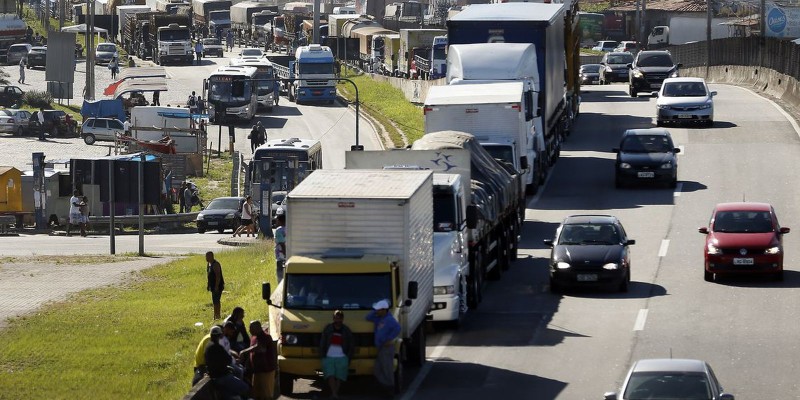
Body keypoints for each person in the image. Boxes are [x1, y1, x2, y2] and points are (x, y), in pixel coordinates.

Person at [204, 326, 250, 398]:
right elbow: (228, 360)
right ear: (220, 335)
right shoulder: (218, 347)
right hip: (222, 376)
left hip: (214, 377)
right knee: (245, 387)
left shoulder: (207, 346)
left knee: (229, 394)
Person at [366, 299, 401, 394]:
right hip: (381, 348)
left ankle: (390, 388)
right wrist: (375, 311)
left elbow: (398, 328)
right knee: (377, 369)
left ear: (384, 310)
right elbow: (368, 317)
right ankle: (385, 386)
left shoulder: (389, 319)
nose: (377, 311)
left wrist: (390, 339)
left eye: (378, 310)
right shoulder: (379, 318)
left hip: (387, 348)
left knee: (387, 369)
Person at [320, 310, 354, 400]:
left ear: (342, 319)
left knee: (339, 376)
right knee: (330, 375)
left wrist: (348, 357)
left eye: (339, 318)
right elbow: (323, 342)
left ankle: (335, 393)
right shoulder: (328, 328)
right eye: (336, 318)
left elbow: (351, 344)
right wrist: (322, 355)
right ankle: (334, 393)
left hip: (342, 357)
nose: (337, 320)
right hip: (329, 356)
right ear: (333, 318)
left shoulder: (346, 330)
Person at [240, 320, 276, 400]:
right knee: (257, 394)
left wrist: (244, 352)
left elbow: (260, 348)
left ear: (258, 328)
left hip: (266, 371)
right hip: (257, 370)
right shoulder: (253, 337)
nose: (249, 330)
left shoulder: (266, 337)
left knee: (266, 395)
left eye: (251, 328)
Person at [207, 251, 225, 320]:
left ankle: (218, 315)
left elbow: (218, 276)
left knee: (216, 301)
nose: (206, 258)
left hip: (217, 286)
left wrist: (216, 286)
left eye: (208, 257)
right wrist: (208, 284)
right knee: (214, 301)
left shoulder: (215, 264)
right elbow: (208, 275)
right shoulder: (209, 264)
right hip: (212, 286)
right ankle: (215, 315)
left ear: (211, 256)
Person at [274, 214, 286, 281]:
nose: (276, 222)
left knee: (280, 275)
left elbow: (282, 243)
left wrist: (285, 254)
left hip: (281, 256)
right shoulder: (289, 229)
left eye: (277, 220)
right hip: (289, 255)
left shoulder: (279, 230)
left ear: (280, 221)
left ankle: (280, 284)